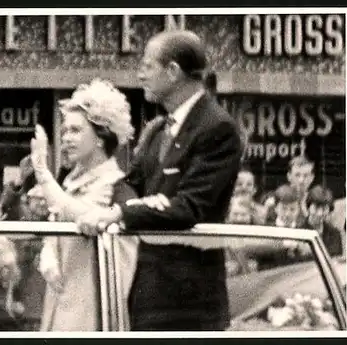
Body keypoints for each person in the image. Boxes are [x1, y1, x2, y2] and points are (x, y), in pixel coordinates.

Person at [77, 30, 243, 331]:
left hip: (190, 304)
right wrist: (122, 202)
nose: (140, 74)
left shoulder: (218, 127)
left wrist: (120, 212)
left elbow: (190, 207)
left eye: (147, 65)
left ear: (173, 71)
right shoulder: (156, 129)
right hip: (147, 295)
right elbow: (130, 185)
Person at [29, 79, 135, 331]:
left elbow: (83, 216)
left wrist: (43, 172)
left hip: (92, 310)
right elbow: (56, 224)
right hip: (60, 301)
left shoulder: (115, 186)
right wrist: (47, 254)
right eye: (64, 131)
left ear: (101, 137)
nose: (65, 138)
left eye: (75, 131)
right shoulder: (69, 182)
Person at [303, 185, 343, 257]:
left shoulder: (335, 233)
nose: (320, 213)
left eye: (324, 209)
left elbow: (336, 259)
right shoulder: (298, 230)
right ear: (308, 207)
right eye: (316, 208)